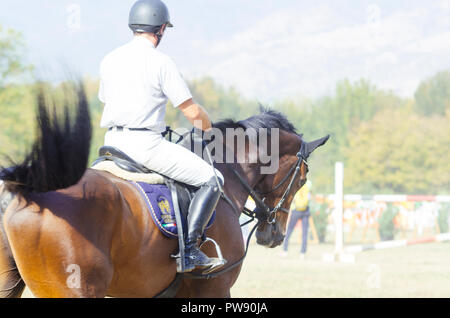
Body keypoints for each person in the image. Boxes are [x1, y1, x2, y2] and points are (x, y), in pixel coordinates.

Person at [98, 0, 225, 273]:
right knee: (213, 179)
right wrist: (209, 129)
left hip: (110, 143)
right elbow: (191, 111)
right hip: (144, 145)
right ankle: (190, 252)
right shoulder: (161, 62)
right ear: (161, 29)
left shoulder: (110, 59)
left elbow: (106, 99)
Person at [281, 180, 312, 259]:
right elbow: (310, 197)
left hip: (296, 210)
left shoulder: (295, 181)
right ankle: (302, 253)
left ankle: (285, 250)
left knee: (289, 230)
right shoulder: (309, 183)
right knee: (305, 233)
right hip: (306, 210)